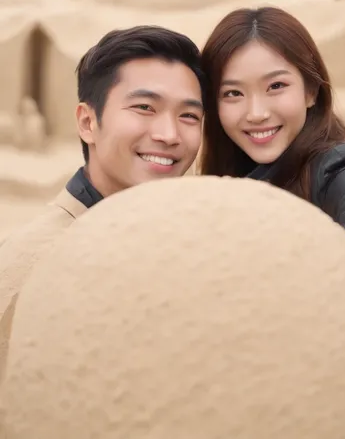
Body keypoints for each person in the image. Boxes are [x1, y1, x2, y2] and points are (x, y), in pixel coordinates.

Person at [200, 6, 345, 439]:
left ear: (311, 90)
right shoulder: (227, 184)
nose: (256, 112)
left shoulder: (344, 167)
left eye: (276, 86)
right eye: (232, 94)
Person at [0, 24, 205, 380]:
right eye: (144, 107)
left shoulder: (177, 247)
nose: (169, 135)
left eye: (188, 115)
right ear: (87, 122)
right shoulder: (30, 268)